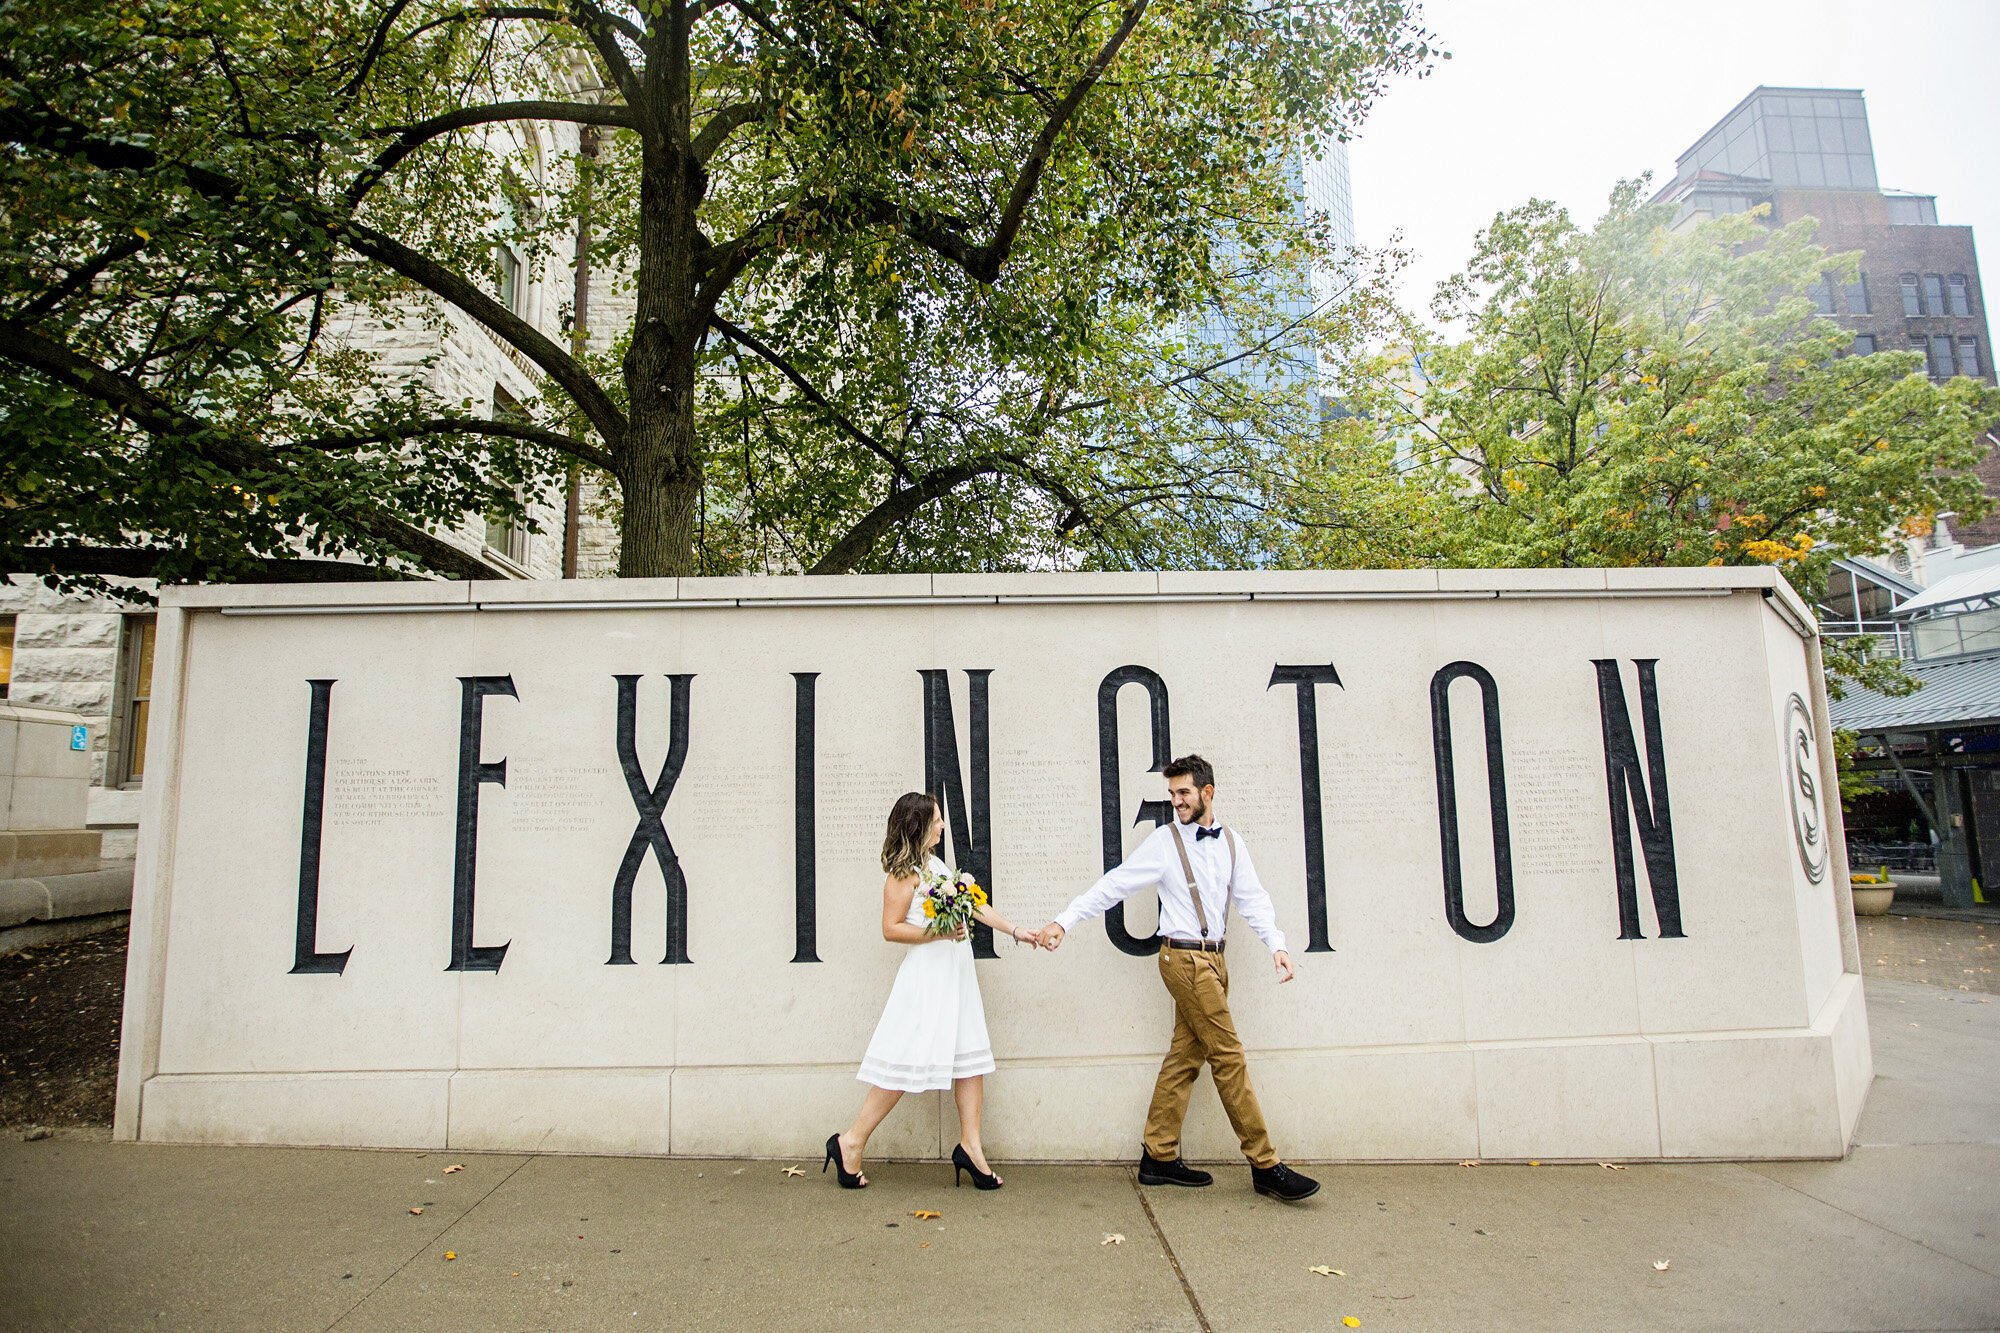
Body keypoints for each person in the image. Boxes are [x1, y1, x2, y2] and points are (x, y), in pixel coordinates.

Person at [1037, 754, 1321, 1202]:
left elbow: (1253, 899)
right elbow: (1116, 884)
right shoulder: (1165, 843)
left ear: (1207, 792)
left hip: (1215, 961)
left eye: (1184, 793)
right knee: (1228, 1057)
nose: (1176, 802)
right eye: (1172, 794)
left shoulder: (1231, 842)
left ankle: (1159, 1155)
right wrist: (1064, 920)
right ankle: (1265, 1164)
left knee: (1185, 1057)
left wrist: (1278, 945)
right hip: (1183, 961)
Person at [827, 791, 1037, 1190]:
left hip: (956, 974)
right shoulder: (902, 875)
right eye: (937, 820)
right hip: (926, 979)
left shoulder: (937, 865)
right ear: (918, 826)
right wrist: (937, 931)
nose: (943, 825)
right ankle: (850, 1142)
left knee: (971, 1058)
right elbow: (890, 929)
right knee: (904, 1062)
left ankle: (971, 1147)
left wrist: (1016, 931)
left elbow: (973, 905)